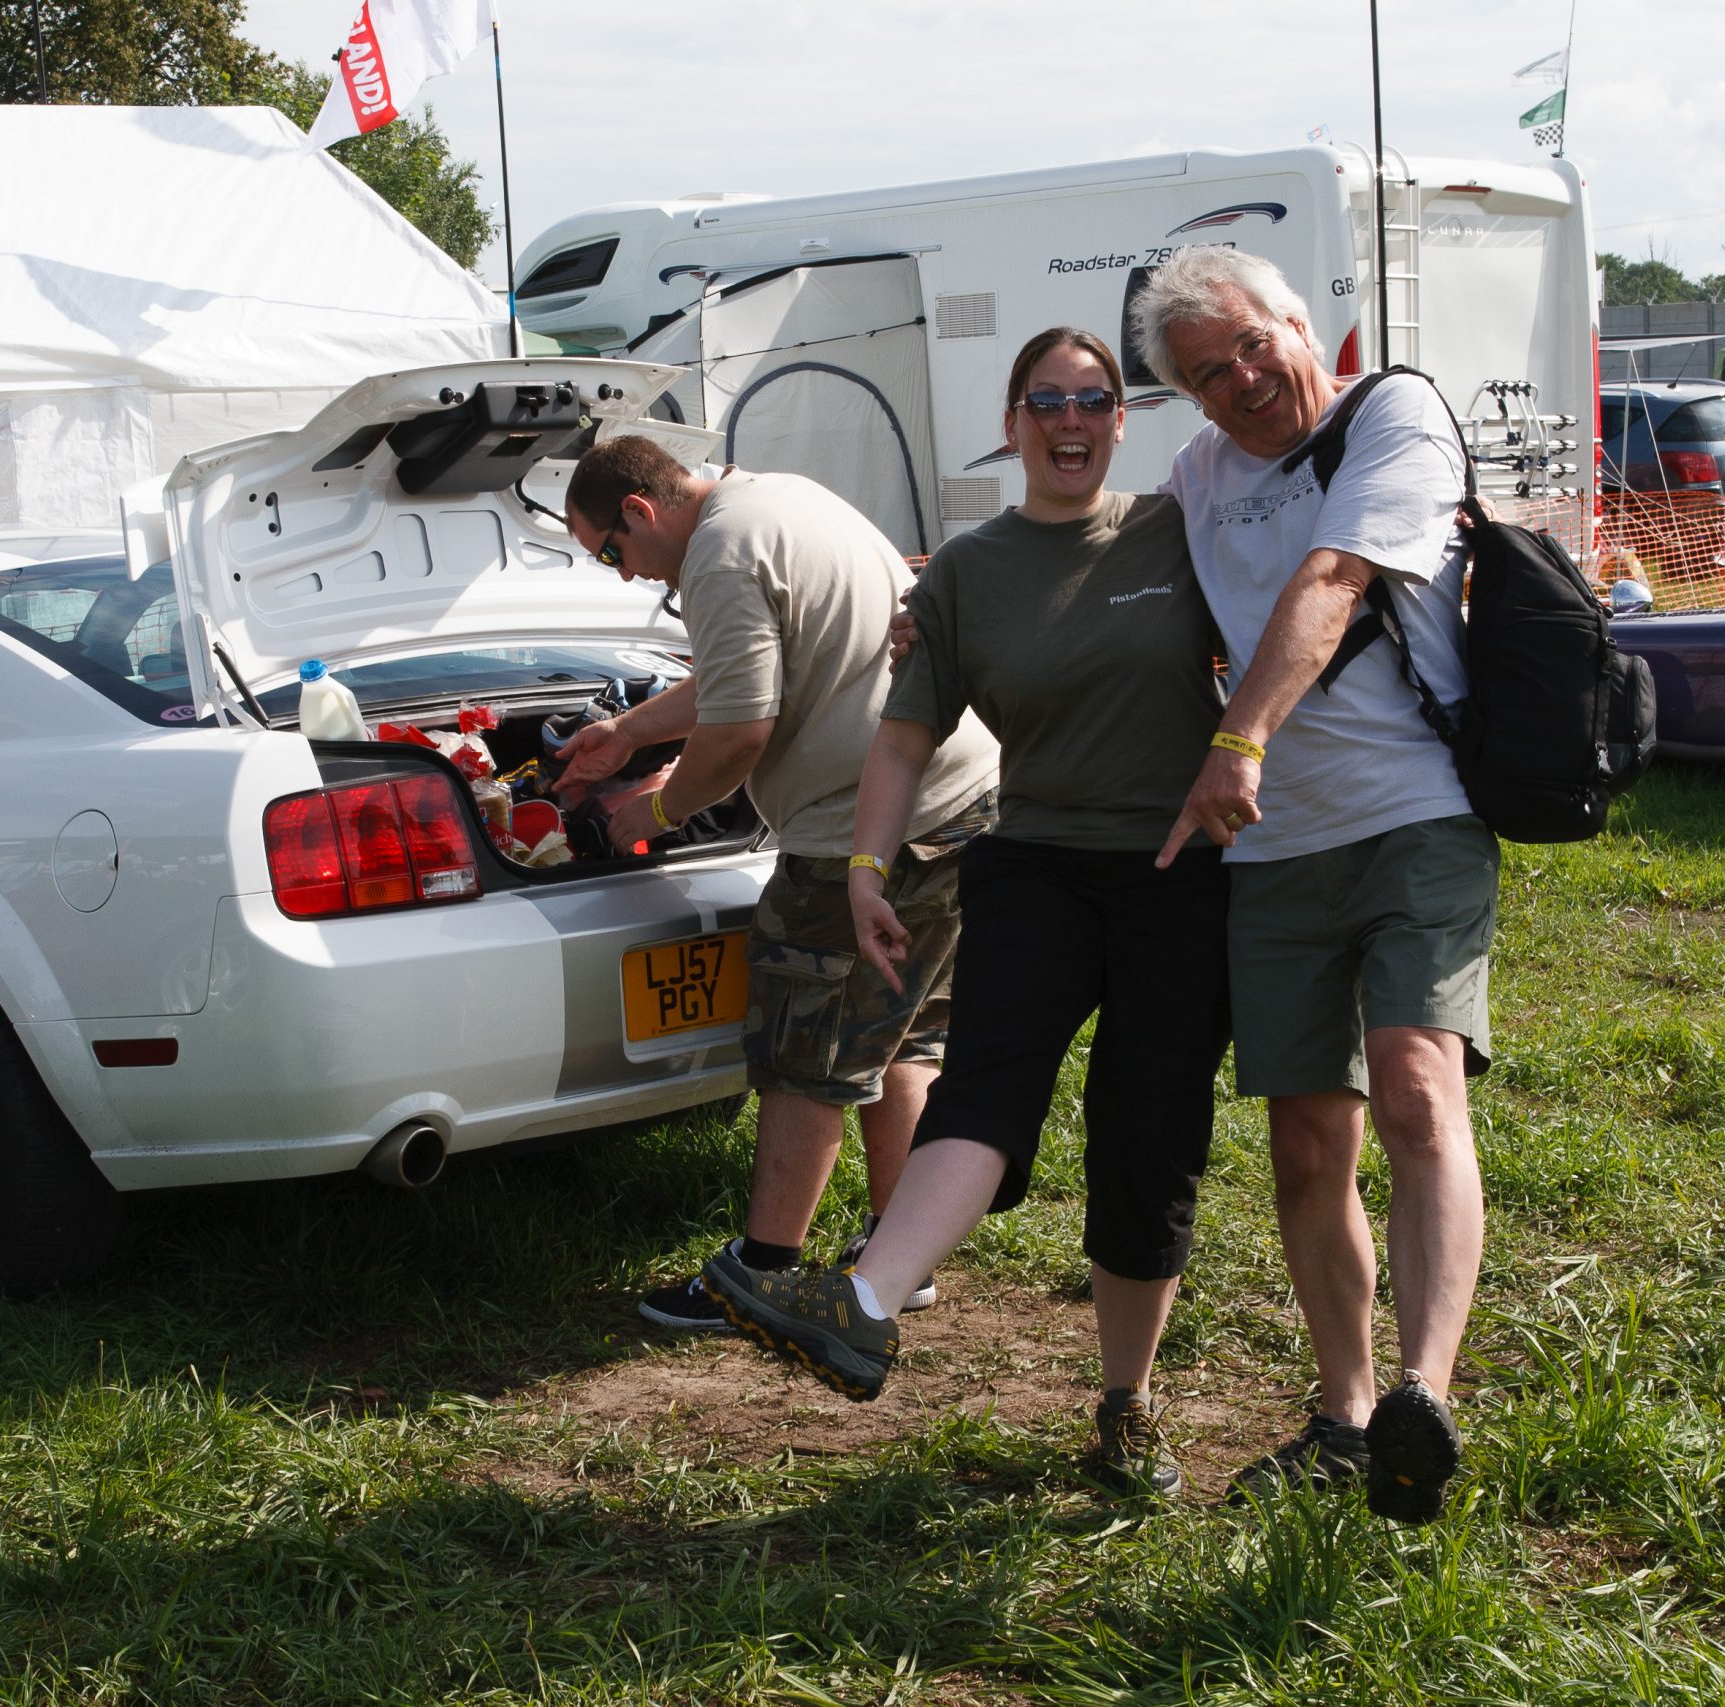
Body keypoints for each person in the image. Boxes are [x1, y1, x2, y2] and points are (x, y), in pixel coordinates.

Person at [702, 328, 1231, 1498]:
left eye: (1092, 399)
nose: (1070, 420)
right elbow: (902, 739)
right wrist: (863, 869)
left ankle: (1126, 1405)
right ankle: (864, 1305)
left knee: (1146, 1140)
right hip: (1032, 859)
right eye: (1046, 400)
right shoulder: (965, 571)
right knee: (985, 1081)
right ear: (1012, 422)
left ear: (1119, 420)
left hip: (1174, 876)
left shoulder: (1176, 533)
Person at [1132, 245, 1492, 1525]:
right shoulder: (1196, 475)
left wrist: (1237, 744)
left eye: (1248, 345)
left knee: (1411, 1080)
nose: (1237, 381)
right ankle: (1342, 1417)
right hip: (1275, 850)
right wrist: (932, 610)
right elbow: (1097, 575)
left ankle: (1422, 1399)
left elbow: (1332, 582)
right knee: (1303, 1140)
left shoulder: (1391, 415)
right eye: (1202, 375)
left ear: (1300, 322)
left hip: (1413, 818)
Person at [556, 435, 999, 1331]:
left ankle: (762, 1273)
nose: (622, 575)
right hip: (959, 801)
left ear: (639, 512)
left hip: (863, 833)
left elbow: (740, 730)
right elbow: (752, 676)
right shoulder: (777, 498)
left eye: (610, 552)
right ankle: (897, 1257)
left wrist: (661, 810)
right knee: (900, 1032)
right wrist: (631, 733)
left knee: (806, 1057)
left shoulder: (719, 552)